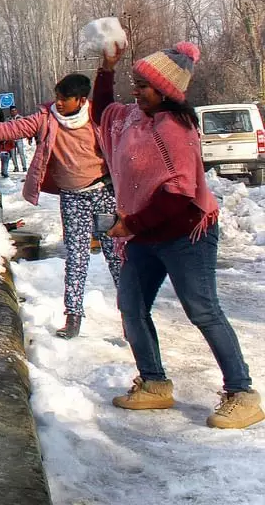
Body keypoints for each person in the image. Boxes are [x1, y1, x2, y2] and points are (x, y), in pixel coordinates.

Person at [95, 42, 261, 429]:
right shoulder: (135, 119)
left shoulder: (176, 129)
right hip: (143, 235)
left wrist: (130, 225)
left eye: (144, 86)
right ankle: (154, 383)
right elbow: (102, 112)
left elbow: (180, 194)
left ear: (167, 90)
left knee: (202, 310)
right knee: (131, 308)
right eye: (134, 84)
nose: (136, 93)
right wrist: (106, 69)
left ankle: (242, 393)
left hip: (186, 233)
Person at [0, 73, 119, 339]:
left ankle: (131, 315)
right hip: (73, 197)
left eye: (64, 99)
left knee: (116, 256)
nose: (57, 103)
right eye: (56, 97)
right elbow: (10, 129)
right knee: (76, 257)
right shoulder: (47, 118)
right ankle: (73, 316)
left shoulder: (99, 116)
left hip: (104, 192)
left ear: (81, 100)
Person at [8, 106, 29, 172]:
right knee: (13, 154)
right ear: (10, 112)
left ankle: (24, 167)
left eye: (14, 110)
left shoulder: (20, 118)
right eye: (12, 111)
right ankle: (16, 167)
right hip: (11, 139)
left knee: (21, 152)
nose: (13, 112)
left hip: (19, 138)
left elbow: (24, 127)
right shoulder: (8, 119)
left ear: (16, 111)